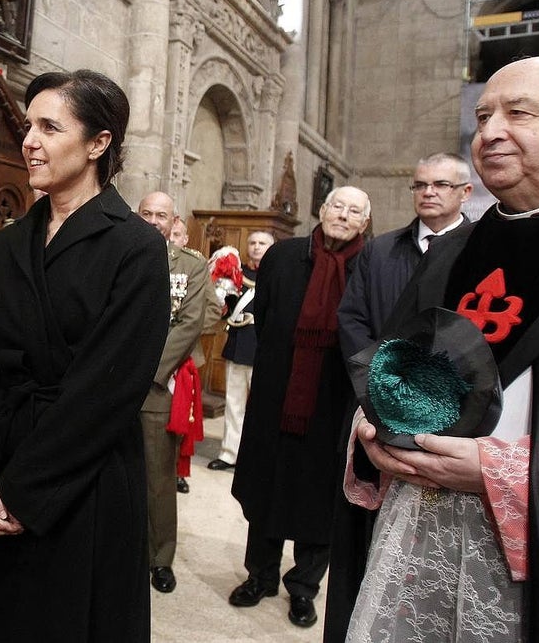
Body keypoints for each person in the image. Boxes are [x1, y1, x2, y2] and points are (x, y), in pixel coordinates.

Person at [345, 55, 539, 641]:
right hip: (415, 527)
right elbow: (390, 367)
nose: (490, 131)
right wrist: (373, 430)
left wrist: (511, 473)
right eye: (483, 116)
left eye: (519, 113)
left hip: (534, 560)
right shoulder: (453, 252)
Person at [0, 70, 170, 642]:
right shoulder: (6, 243)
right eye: (28, 125)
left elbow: (106, 393)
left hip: (80, 482)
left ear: (98, 143)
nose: (29, 140)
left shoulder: (136, 248)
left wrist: (26, 492)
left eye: (50, 126)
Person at [324, 154, 471, 641]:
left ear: (464, 193)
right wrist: (382, 389)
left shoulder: (477, 252)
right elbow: (352, 320)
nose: (429, 193)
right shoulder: (381, 250)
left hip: (443, 419)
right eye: (420, 185)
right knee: (360, 537)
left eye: (442, 185)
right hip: (373, 406)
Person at [229, 186, 370, 629]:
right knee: (268, 489)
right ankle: (260, 576)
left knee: (320, 499)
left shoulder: (370, 265)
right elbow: (267, 318)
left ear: (364, 222)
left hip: (334, 402)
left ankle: (304, 588)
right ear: (322, 210)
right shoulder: (283, 257)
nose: (343, 215)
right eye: (337, 206)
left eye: (354, 211)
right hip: (278, 394)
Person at [136, 191, 218, 594]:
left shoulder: (191, 266)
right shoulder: (117, 254)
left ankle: (159, 558)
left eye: (161, 215)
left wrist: (147, 372)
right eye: (146, 213)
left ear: (174, 221)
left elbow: (189, 324)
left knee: (157, 476)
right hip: (108, 383)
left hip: (154, 385)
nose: (153, 221)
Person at [209, 230, 275, 472]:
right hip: (238, 343)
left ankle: (256, 457)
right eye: (253, 243)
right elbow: (225, 309)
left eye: (263, 243)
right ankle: (229, 453)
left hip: (264, 348)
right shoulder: (237, 274)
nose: (257, 247)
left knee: (262, 408)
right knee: (233, 404)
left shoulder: (278, 274)